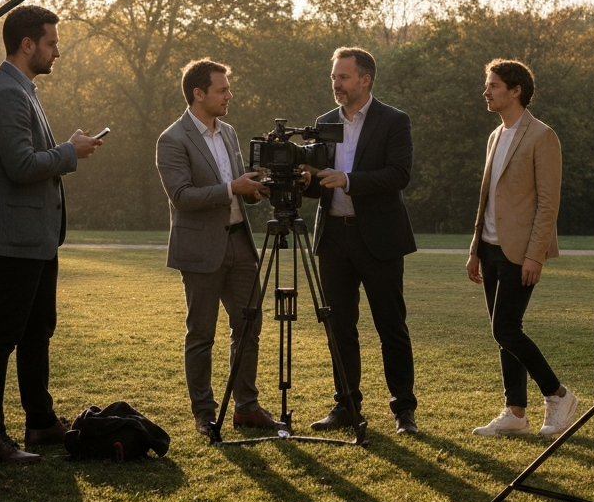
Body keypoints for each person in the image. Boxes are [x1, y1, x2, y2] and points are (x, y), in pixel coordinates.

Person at [0, 5, 103, 463]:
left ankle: (41, 423)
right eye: (51, 42)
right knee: (2, 334)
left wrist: (66, 146)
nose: (57, 52)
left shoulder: (23, 89)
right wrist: (70, 151)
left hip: (36, 236)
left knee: (37, 330)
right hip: (15, 237)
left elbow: (29, 154)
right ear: (27, 45)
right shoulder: (6, 93)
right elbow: (21, 165)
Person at [156, 59, 283, 436]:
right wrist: (232, 188)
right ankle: (204, 414)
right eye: (222, 90)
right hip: (200, 250)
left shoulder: (228, 132)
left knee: (249, 325)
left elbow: (244, 189)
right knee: (201, 333)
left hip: (240, 244)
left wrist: (260, 188)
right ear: (199, 94)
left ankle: (245, 406)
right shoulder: (172, 139)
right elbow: (182, 196)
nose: (229, 95)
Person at [304, 47, 419, 435]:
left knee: (391, 326)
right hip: (334, 237)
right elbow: (317, 183)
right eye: (334, 77)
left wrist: (350, 180)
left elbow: (399, 174)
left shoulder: (393, 120)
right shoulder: (322, 122)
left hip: (380, 238)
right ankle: (346, 406)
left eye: (344, 77)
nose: (336, 84)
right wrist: (303, 180)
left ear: (365, 80)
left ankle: (404, 411)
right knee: (339, 326)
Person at [466, 59, 578, 438]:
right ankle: (515, 413)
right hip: (490, 247)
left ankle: (558, 394)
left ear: (516, 91)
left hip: (520, 252)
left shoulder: (542, 136)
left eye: (494, 85)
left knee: (506, 329)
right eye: (488, 84)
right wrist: (475, 248)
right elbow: (485, 197)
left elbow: (549, 203)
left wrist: (535, 254)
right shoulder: (495, 136)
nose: (487, 91)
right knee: (502, 332)